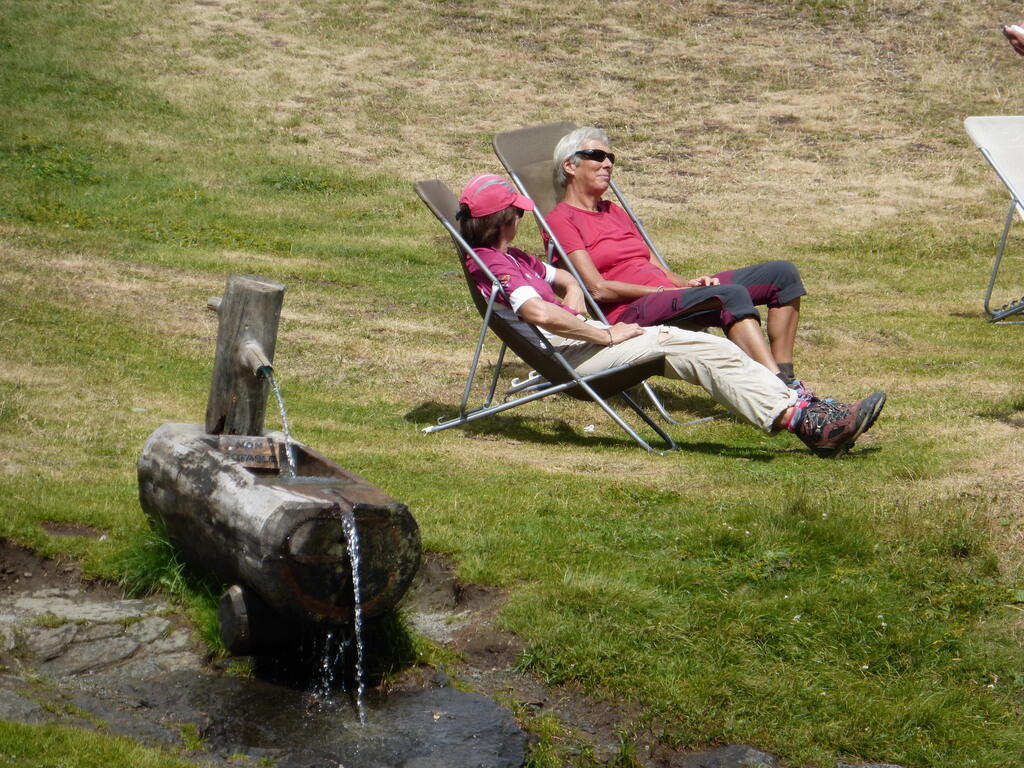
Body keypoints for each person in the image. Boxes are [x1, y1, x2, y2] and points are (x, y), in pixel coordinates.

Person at [456, 173, 886, 458]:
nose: (521, 217)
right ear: (503, 219)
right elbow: (535, 310)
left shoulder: (512, 256)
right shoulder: (492, 263)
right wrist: (603, 334)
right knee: (684, 344)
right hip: (574, 353)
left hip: (581, 336)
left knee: (706, 345)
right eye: (516, 211)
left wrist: (573, 302)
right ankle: (806, 421)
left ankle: (805, 415)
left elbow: (566, 279)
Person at [545, 126, 809, 393]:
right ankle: (779, 390)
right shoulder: (561, 220)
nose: (607, 164)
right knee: (729, 294)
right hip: (630, 312)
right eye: (597, 155)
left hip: (666, 297)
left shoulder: (613, 210)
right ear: (570, 165)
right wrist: (663, 291)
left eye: (610, 158)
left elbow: (654, 265)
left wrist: (689, 285)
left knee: (781, 274)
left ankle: (786, 375)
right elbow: (598, 289)